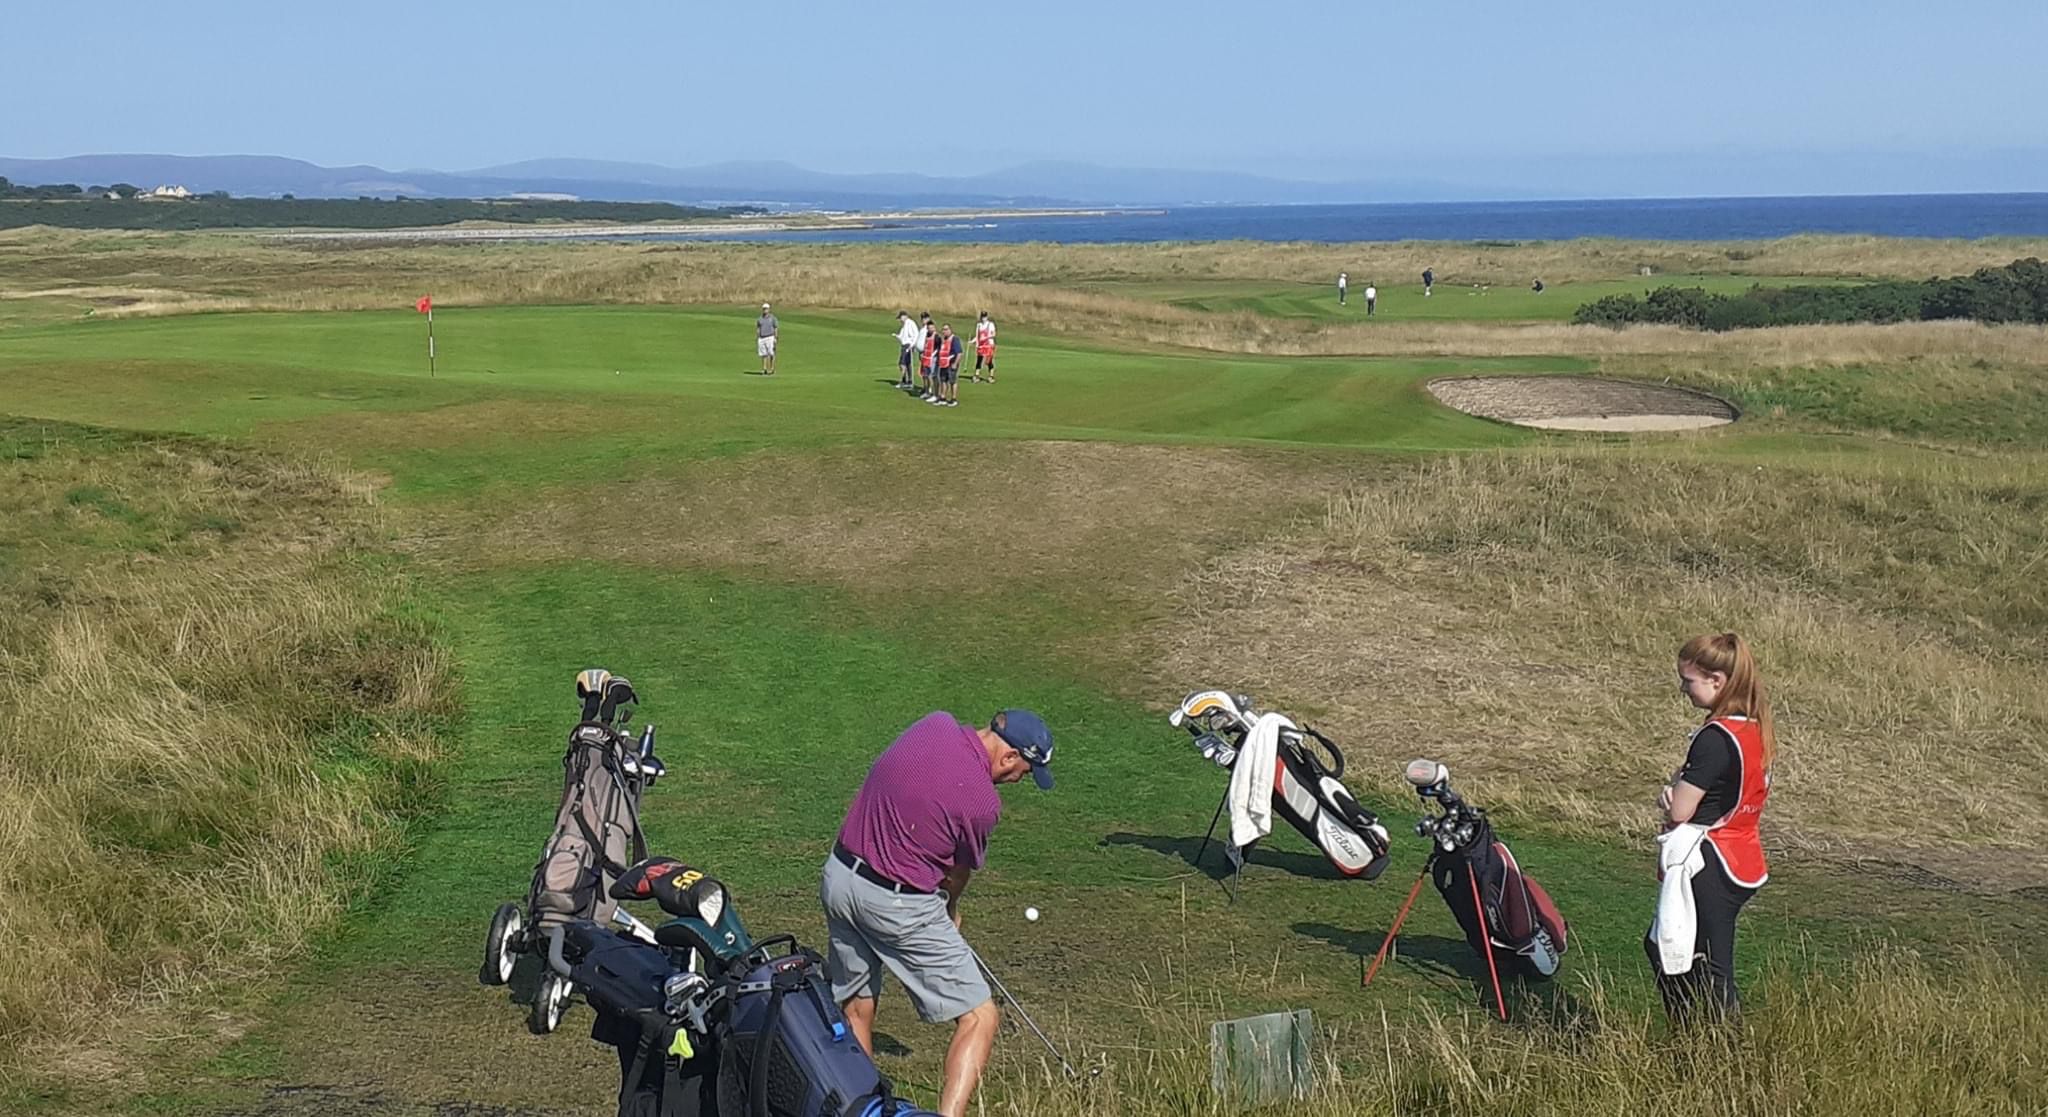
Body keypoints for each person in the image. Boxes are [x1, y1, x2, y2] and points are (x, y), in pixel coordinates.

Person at [821, 710, 1056, 1117]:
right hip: (895, 904)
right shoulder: (982, 803)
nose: (1019, 780)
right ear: (1009, 757)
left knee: (858, 1005)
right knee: (980, 1017)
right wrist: (950, 912)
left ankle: (856, 1108)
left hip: (840, 879)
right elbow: (956, 873)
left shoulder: (933, 725)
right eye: (1025, 770)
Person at [1645, 632, 1773, 1026]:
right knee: (1675, 951)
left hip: (1710, 860)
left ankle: (1711, 1052)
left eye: (1689, 680)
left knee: (1705, 966)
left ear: (1717, 680)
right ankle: (1696, 1043)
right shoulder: (1751, 727)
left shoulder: (1715, 739)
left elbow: (1681, 808)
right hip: (1741, 855)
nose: (1683, 688)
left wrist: (1670, 795)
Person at [931, 324, 964, 406]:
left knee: (952, 381)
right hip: (943, 363)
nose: (944, 331)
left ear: (950, 330)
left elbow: (959, 353)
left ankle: (953, 398)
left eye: (946, 329)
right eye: (943, 330)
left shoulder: (954, 339)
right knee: (943, 380)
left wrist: (955, 363)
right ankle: (943, 397)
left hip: (951, 363)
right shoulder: (943, 340)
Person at [895, 311, 921, 388]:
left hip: (908, 345)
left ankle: (905, 381)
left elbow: (916, 334)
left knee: (903, 364)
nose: (900, 320)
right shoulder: (904, 325)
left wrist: (912, 345)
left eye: (900, 318)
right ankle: (908, 381)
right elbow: (903, 336)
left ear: (905, 316)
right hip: (904, 345)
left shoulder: (911, 323)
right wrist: (897, 336)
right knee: (905, 364)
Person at [971, 312, 997, 383]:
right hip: (981, 345)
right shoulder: (979, 325)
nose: (983, 318)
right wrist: (973, 341)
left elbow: (994, 334)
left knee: (989, 361)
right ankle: (976, 375)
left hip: (989, 344)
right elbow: (977, 336)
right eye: (982, 317)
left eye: (984, 317)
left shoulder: (990, 324)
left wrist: (986, 337)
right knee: (979, 360)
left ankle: (991, 376)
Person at [756, 302, 778, 375]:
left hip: (770, 337)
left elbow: (775, 328)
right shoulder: (760, 319)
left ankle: (772, 368)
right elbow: (758, 328)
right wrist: (758, 337)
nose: (765, 310)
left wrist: (775, 338)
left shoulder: (772, 318)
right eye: (764, 309)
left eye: (766, 309)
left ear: (769, 309)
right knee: (763, 354)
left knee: (771, 353)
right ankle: (764, 368)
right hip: (762, 338)